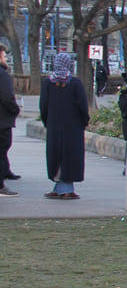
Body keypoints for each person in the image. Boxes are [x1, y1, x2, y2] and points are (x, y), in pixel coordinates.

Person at [40, 53, 89, 200]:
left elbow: (43, 105)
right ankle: (66, 188)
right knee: (70, 156)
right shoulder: (74, 83)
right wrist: (84, 122)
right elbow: (82, 106)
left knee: (56, 155)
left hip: (54, 126)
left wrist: (47, 122)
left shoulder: (48, 83)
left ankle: (59, 186)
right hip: (72, 127)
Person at [0, 44, 22, 196]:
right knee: (2, 150)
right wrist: (15, 109)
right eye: (4, 54)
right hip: (2, 121)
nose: (6, 58)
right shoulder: (2, 76)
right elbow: (7, 97)